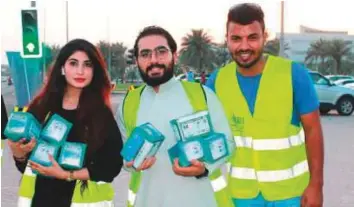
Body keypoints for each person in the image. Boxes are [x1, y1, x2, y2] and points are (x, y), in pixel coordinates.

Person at [206, 3, 324, 207]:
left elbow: (313, 130)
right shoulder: (217, 82)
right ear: (226, 39)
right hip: (240, 196)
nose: (244, 47)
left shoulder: (293, 75)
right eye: (236, 39)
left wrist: (316, 185)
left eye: (252, 37)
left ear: (264, 36)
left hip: (291, 195)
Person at [116, 26, 235, 207]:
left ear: (174, 55)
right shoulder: (129, 103)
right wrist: (131, 163)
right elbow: (123, 156)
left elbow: (228, 143)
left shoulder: (202, 95)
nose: (154, 60)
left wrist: (204, 169)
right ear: (137, 60)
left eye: (161, 52)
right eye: (145, 54)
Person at [7, 39, 124, 207]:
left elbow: (111, 166)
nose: (80, 71)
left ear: (94, 71)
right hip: (41, 200)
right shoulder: (41, 107)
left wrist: (66, 174)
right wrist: (18, 152)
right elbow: (26, 166)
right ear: (62, 68)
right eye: (73, 63)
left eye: (87, 64)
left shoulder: (100, 114)